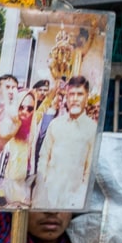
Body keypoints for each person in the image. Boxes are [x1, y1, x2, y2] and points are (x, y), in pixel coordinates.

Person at [33, 76, 97, 208]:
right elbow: (44, 158)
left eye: (79, 94)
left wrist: (79, 201)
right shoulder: (55, 124)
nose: (74, 99)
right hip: (48, 196)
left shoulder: (93, 129)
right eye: (71, 94)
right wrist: (39, 193)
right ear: (66, 97)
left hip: (73, 201)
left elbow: (89, 170)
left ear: (87, 96)